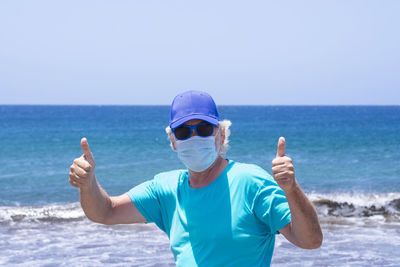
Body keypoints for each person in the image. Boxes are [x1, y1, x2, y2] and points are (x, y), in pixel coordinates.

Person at [68, 90, 323, 266]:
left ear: (221, 135)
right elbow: (106, 212)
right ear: (173, 142)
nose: (193, 138)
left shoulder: (250, 182)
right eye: (183, 131)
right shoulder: (167, 189)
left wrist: (290, 189)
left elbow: (310, 240)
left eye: (203, 129)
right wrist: (87, 183)